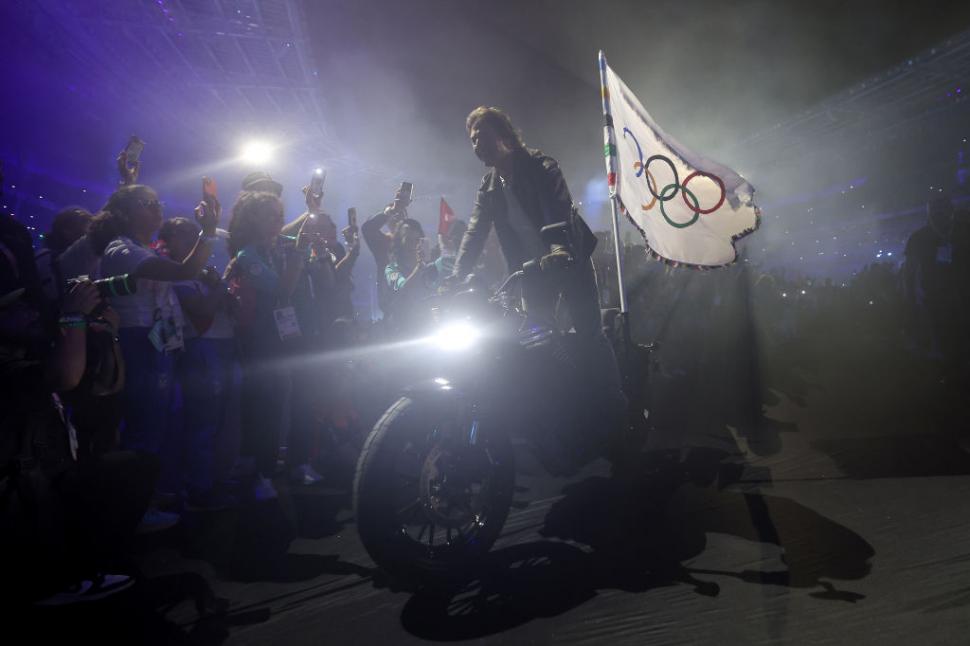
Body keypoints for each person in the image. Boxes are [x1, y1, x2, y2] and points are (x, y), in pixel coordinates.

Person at [452, 106, 625, 451]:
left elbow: (556, 206)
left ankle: (617, 410)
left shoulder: (540, 166)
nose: (476, 146)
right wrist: (455, 276)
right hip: (531, 270)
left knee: (590, 334)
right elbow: (475, 231)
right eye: (472, 141)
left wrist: (559, 247)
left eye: (481, 137)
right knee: (536, 339)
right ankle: (559, 414)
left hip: (567, 261)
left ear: (503, 136)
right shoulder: (488, 187)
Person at [91, 184, 219, 526]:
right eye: (146, 204)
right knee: (143, 426)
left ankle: (150, 499)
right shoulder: (121, 250)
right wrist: (207, 233)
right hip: (138, 342)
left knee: (158, 424)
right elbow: (184, 272)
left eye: (155, 201)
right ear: (125, 214)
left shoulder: (140, 248)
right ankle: (134, 510)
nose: (157, 208)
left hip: (157, 343)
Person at [224, 190, 310, 499]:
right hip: (259, 340)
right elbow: (282, 290)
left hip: (278, 338)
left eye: (280, 213)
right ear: (253, 219)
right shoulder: (249, 255)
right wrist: (299, 255)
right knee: (265, 407)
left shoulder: (274, 248)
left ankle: (266, 468)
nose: (278, 220)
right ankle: (261, 474)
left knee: (278, 402)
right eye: (271, 214)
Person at [157, 218, 236, 509]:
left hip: (222, 345)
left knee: (218, 420)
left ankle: (214, 479)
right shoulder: (172, 273)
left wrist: (220, 287)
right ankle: (199, 486)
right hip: (201, 348)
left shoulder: (201, 273)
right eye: (185, 234)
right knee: (202, 421)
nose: (192, 238)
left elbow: (226, 306)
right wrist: (223, 282)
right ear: (167, 240)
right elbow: (201, 311)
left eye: (195, 233)